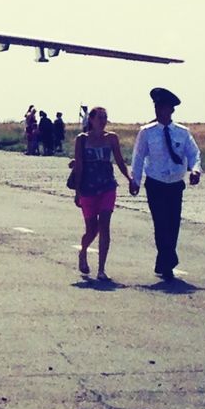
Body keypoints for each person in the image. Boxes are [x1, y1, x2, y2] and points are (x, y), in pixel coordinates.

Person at [129, 87, 202, 282]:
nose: (158, 110)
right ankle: (168, 262)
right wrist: (134, 180)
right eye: (157, 106)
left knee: (173, 224)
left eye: (162, 107)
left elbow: (193, 153)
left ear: (171, 110)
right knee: (161, 224)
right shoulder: (146, 133)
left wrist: (195, 170)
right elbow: (138, 157)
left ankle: (164, 261)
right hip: (155, 184)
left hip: (175, 185)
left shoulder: (183, 132)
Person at [71, 106, 132, 281]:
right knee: (92, 230)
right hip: (88, 189)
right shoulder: (82, 139)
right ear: (91, 119)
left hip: (107, 186)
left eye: (105, 117)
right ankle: (83, 252)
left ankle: (101, 269)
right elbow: (80, 165)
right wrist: (77, 192)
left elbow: (120, 161)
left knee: (105, 225)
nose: (103, 121)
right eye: (99, 117)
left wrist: (129, 179)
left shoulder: (111, 138)